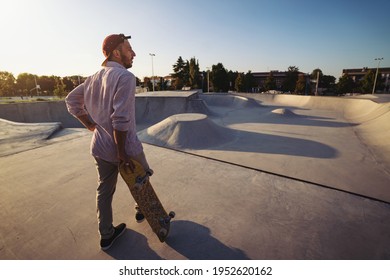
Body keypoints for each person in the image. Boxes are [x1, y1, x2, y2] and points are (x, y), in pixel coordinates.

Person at [65, 33, 151, 250]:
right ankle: (142, 209)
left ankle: (106, 235)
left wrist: (89, 124)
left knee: (104, 190)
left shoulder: (92, 78)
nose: (133, 53)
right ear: (116, 52)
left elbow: (71, 101)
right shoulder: (124, 77)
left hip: (100, 147)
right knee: (142, 177)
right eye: (129, 49)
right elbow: (120, 118)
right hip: (126, 148)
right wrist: (122, 153)